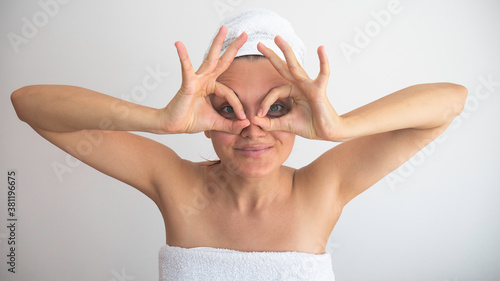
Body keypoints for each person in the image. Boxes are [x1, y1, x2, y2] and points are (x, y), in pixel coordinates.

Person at [11, 8, 467, 281]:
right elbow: (27, 103)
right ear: (203, 118)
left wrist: (340, 125)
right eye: (228, 109)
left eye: (276, 107)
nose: (252, 127)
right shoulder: (176, 184)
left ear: (302, 112)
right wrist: (160, 120)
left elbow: (451, 100)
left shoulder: (323, 188)